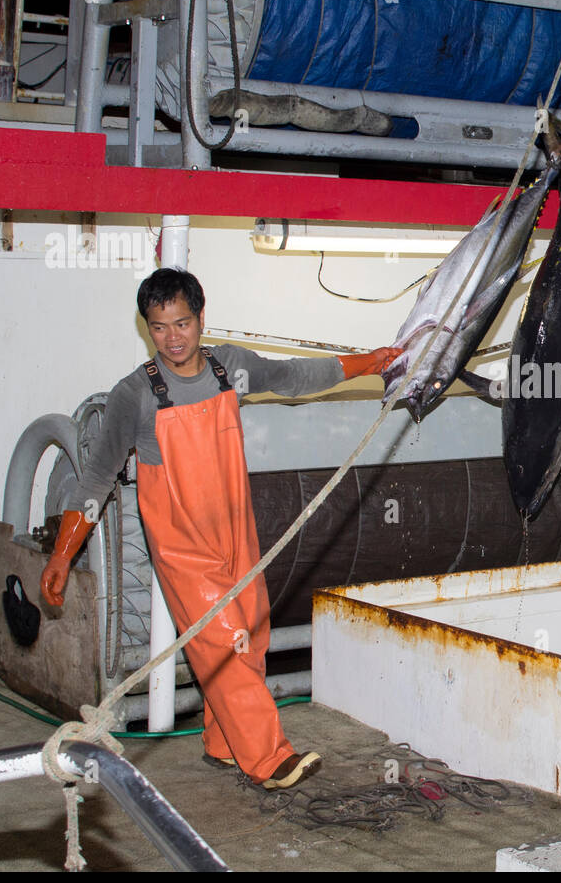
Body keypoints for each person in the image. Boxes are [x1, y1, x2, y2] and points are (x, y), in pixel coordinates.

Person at [40, 268, 402, 789]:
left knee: (250, 636)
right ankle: (268, 758)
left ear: (200, 318)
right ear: (147, 328)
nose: (173, 338)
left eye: (182, 323)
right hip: (183, 546)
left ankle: (224, 743)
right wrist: (61, 556)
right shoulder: (134, 395)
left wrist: (366, 364)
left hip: (235, 532)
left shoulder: (229, 367)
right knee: (227, 640)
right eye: (159, 328)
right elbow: (96, 478)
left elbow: (293, 377)